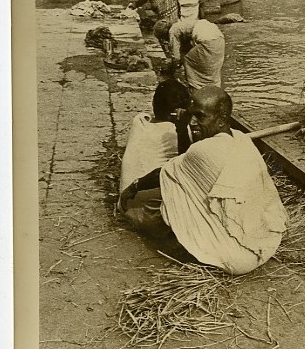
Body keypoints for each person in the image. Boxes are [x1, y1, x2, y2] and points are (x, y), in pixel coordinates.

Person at [119, 87, 288, 275]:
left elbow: (168, 170)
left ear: (222, 120)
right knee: (187, 186)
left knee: (166, 196)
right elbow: (184, 164)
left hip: (236, 259)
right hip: (267, 242)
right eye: (190, 116)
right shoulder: (241, 139)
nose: (192, 122)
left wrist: (133, 186)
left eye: (200, 117)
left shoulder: (202, 151)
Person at [118, 80, 190, 236]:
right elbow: (187, 166)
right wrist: (184, 127)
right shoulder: (175, 131)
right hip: (149, 216)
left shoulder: (139, 121)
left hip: (126, 206)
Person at [153, 17, 226, 89]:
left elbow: (177, 57)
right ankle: (212, 87)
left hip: (208, 41)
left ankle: (195, 86)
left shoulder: (172, 31)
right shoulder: (180, 25)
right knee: (210, 67)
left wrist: (171, 68)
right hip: (218, 39)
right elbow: (185, 50)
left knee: (188, 60)